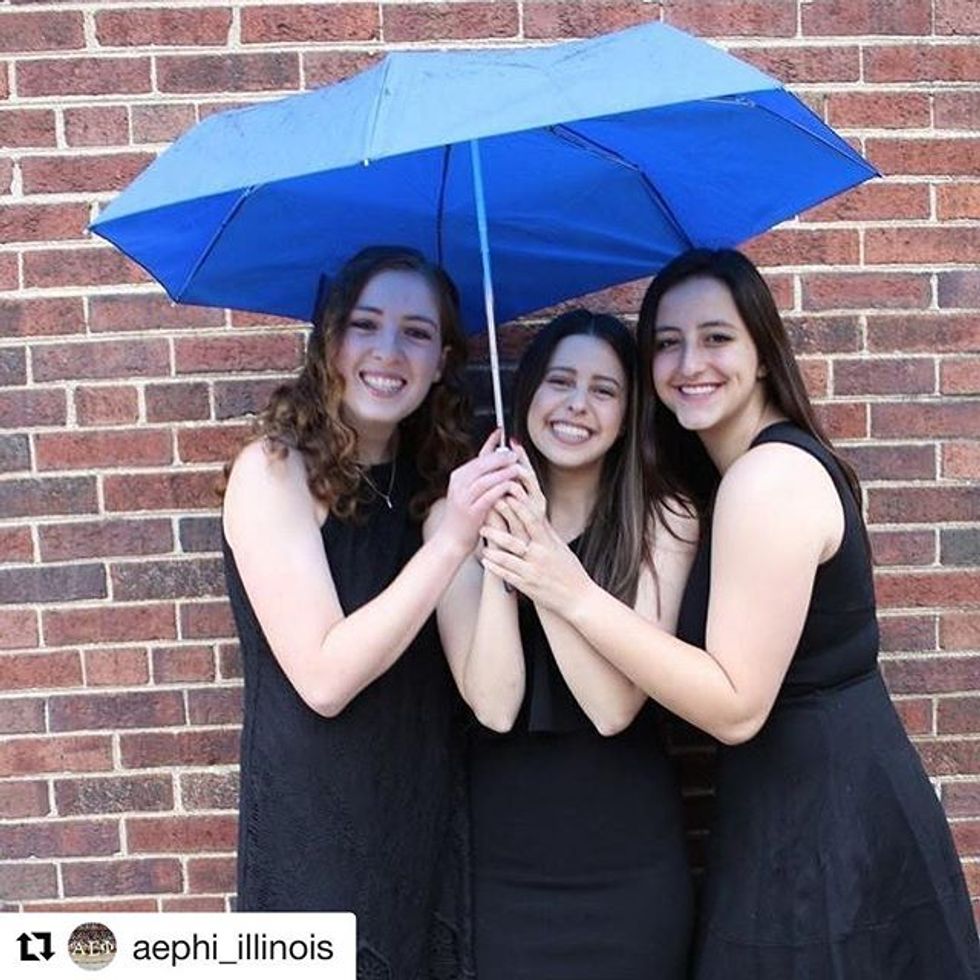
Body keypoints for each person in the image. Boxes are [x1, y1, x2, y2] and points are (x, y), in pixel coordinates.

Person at [481, 249, 980, 978]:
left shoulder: (767, 478)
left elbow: (737, 706)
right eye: (668, 343)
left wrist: (569, 589)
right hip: (797, 805)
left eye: (716, 338)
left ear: (764, 355)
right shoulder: (736, 477)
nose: (690, 363)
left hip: (827, 825)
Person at [220, 246, 523, 978]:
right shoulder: (274, 473)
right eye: (366, 324)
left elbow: (490, 696)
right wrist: (451, 542)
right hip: (315, 835)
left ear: (443, 361)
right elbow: (325, 679)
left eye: (417, 333)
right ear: (330, 342)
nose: (389, 351)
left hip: (421, 818)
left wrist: (505, 544)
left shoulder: (436, 485)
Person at [432, 309, 696, 980]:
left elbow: (612, 708)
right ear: (526, 396)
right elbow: (494, 705)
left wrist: (548, 559)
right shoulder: (453, 519)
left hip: (628, 869)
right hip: (502, 870)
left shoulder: (665, 518)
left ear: (628, 414)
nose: (578, 404)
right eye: (559, 381)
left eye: (604, 390)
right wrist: (504, 552)